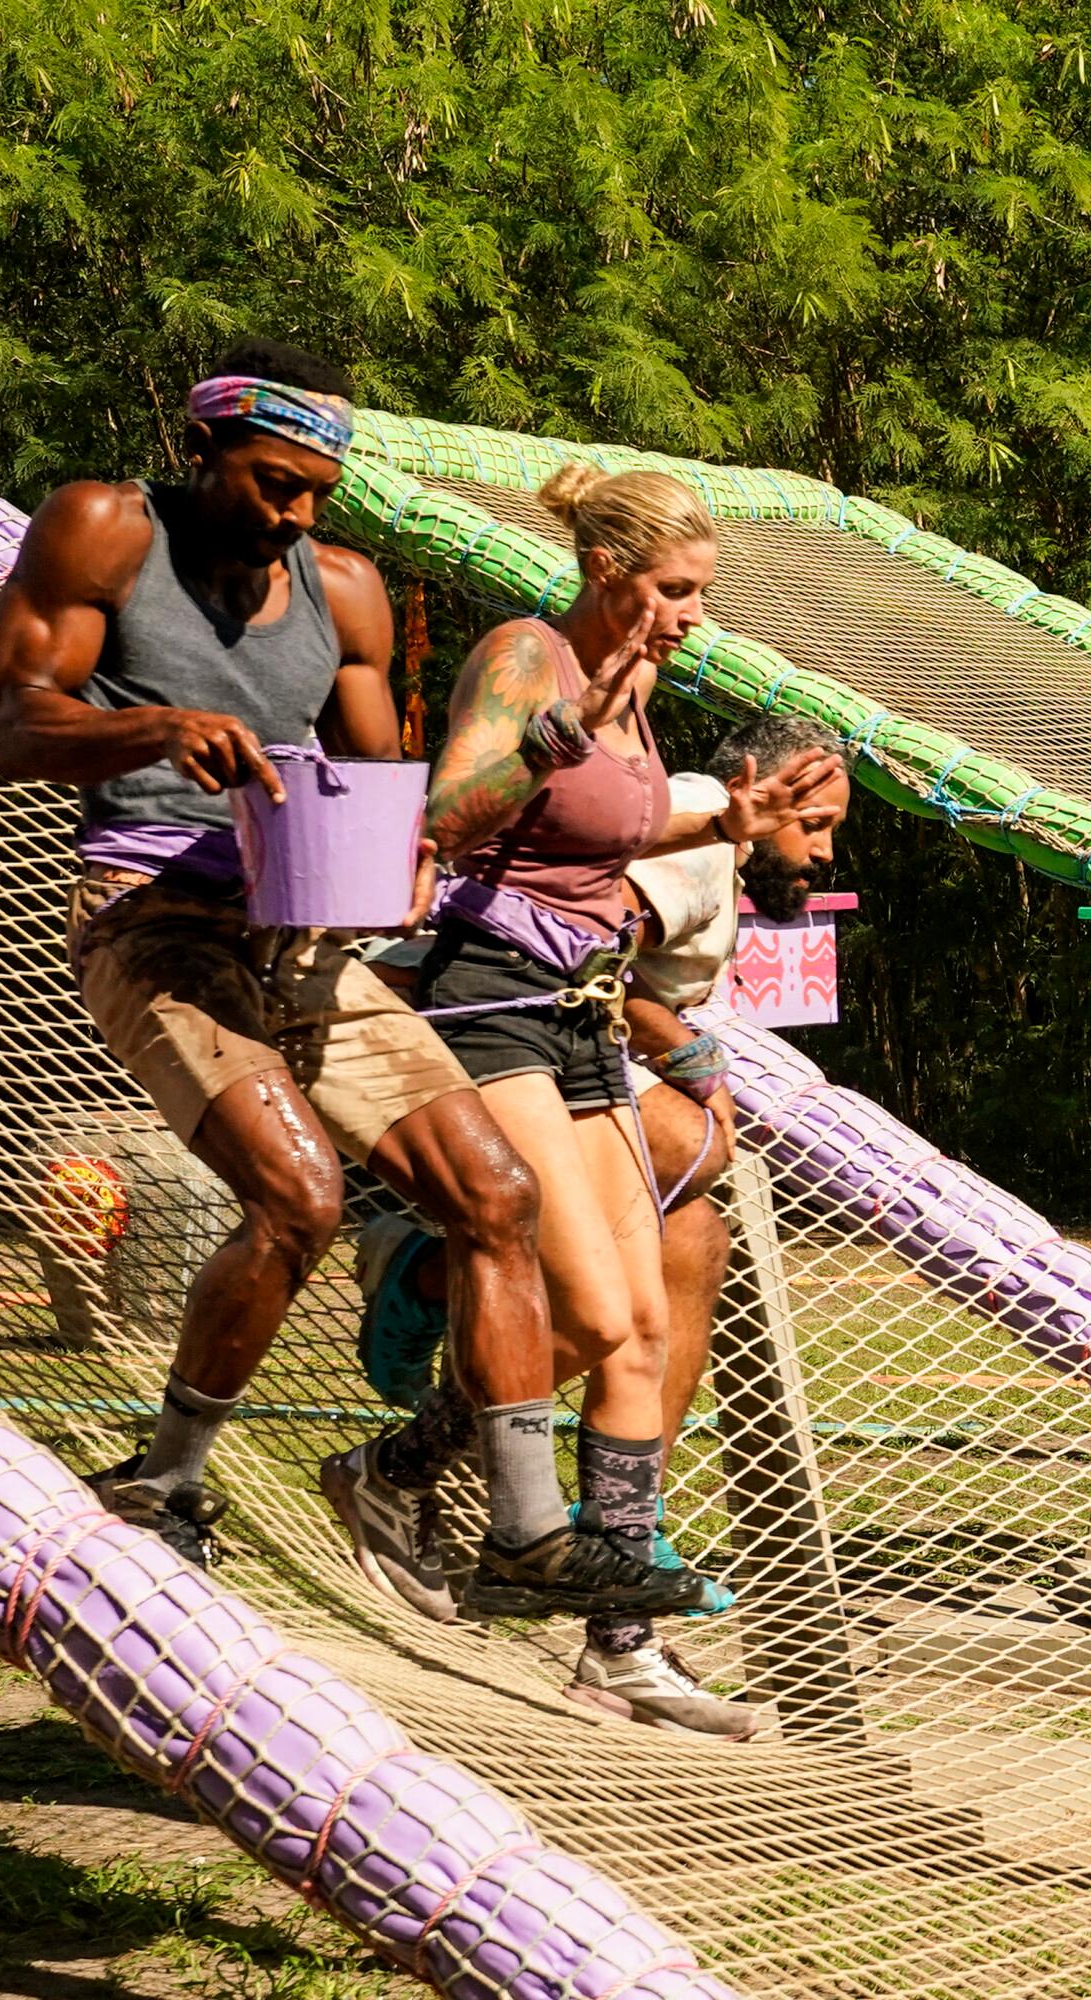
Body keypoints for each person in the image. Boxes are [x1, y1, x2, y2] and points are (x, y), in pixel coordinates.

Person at [0, 340, 651, 1620]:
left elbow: (390, 793)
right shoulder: (103, 528)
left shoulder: (343, 589)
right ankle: (165, 1480)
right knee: (300, 1195)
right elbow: (15, 722)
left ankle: (525, 1530)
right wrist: (154, 728)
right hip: (152, 920)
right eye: (272, 483)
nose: (294, 514)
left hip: (300, 937)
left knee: (495, 1193)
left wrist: (423, 848)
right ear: (200, 449)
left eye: (315, 494)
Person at [352, 464, 836, 1707]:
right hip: (488, 993)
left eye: (701, 592)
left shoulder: (641, 688)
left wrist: (729, 817)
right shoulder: (528, 658)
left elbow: (607, 832)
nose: (692, 615)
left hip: (581, 1009)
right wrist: (565, 729)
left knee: (645, 1328)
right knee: (599, 1305)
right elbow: (450, 812)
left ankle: (618, 1642)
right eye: (674, 590)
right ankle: (404, 1441)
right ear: (609, 569)